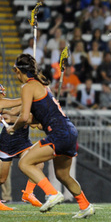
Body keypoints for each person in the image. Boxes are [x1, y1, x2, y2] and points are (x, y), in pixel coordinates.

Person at [7, 54, 95, 218]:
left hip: (59, 133)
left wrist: (13, 127)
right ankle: (85, 206)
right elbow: (35, 120)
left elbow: (24, 117)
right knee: (63, 175)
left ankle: (52, 193)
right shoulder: (41, 86)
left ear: (18, 71)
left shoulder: (28, 87)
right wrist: (13, 118)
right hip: (70, 131)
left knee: (25, 162)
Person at [0, 85, 42, 210]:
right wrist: (33, 97)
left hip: (22, 141)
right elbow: (24, 115)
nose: (3, 95)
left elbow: (14, 112)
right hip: (7, 142)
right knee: (2, 178)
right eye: (2, 93)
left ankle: (28, 193)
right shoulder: (2, 102)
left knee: (38, 163)